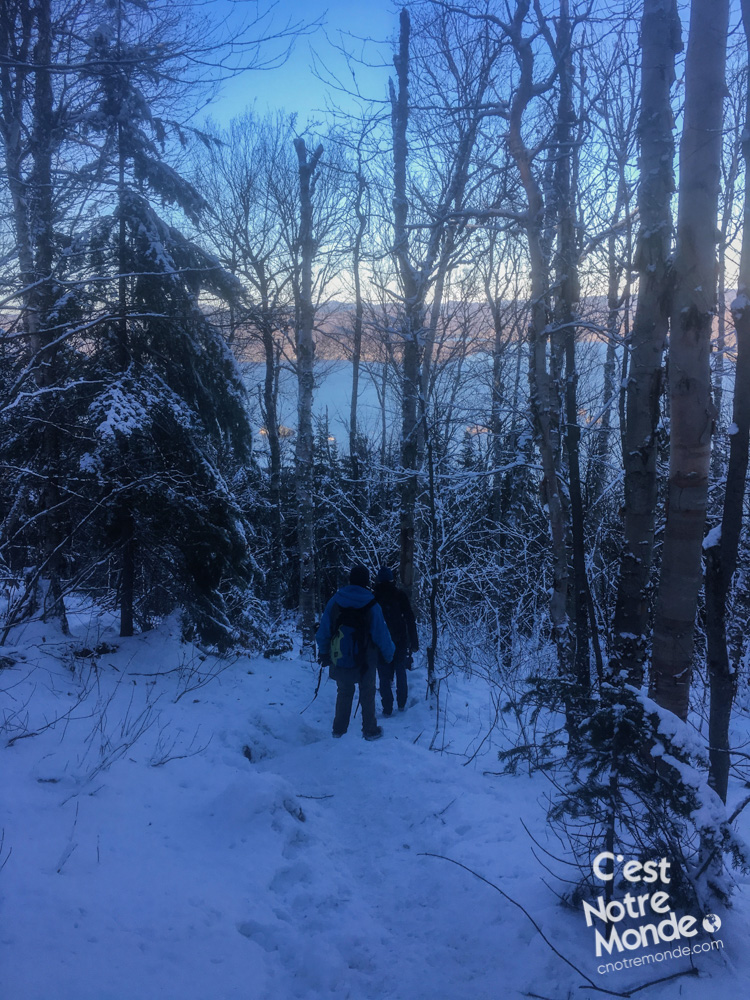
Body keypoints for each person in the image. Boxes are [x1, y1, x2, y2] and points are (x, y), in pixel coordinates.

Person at [316, 564, 395, 740]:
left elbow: (324, 631)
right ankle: (370, 730)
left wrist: (324, 653)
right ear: (367, 582)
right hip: (366, 661)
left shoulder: (336, 600)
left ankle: (338, 731)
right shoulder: (372, 603)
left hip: (341, 658)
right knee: (367, 693)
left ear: (350, 579)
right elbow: (382, 634)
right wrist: (389, 655)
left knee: (344, 692)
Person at [373, 566, 419, 715]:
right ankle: (401, 703)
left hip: (381, 642)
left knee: (384, 675)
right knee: (400, 671)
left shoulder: (374, 597)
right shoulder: (400, 595)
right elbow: (410, 618)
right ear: (392, 579)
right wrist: (414, 641)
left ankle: (387, 707)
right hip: (400, 640)